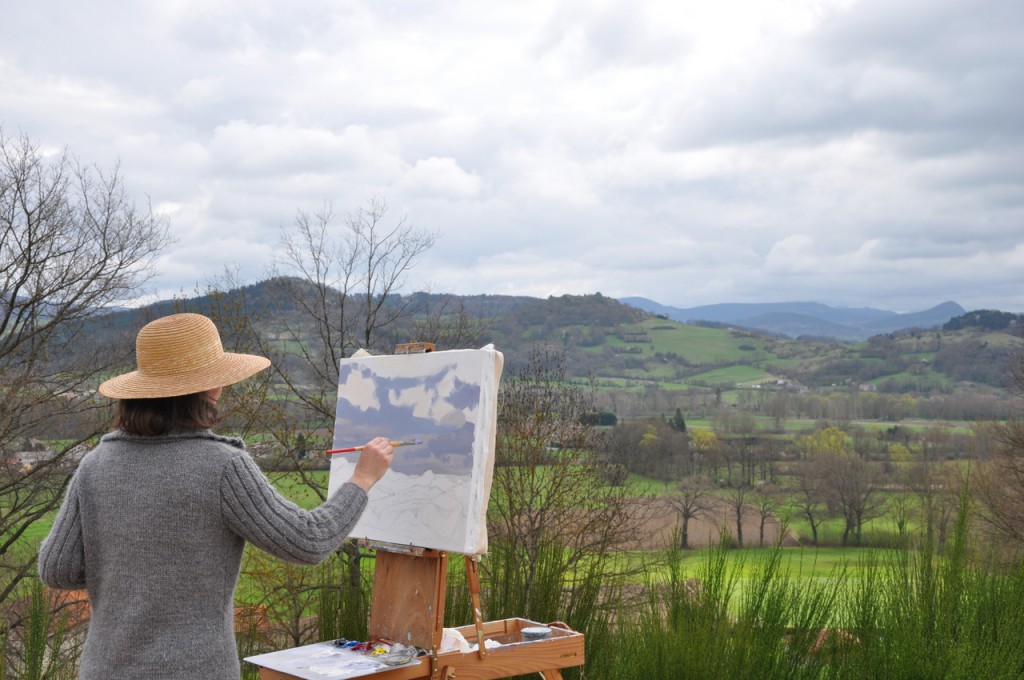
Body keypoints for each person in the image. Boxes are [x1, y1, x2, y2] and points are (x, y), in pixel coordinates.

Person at [38, 313, 394, 679]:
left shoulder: (95, 465)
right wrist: (362, 479)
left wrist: (129, 572)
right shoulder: (222, 466)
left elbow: (57, 570)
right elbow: (308, 540)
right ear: (211, 388)